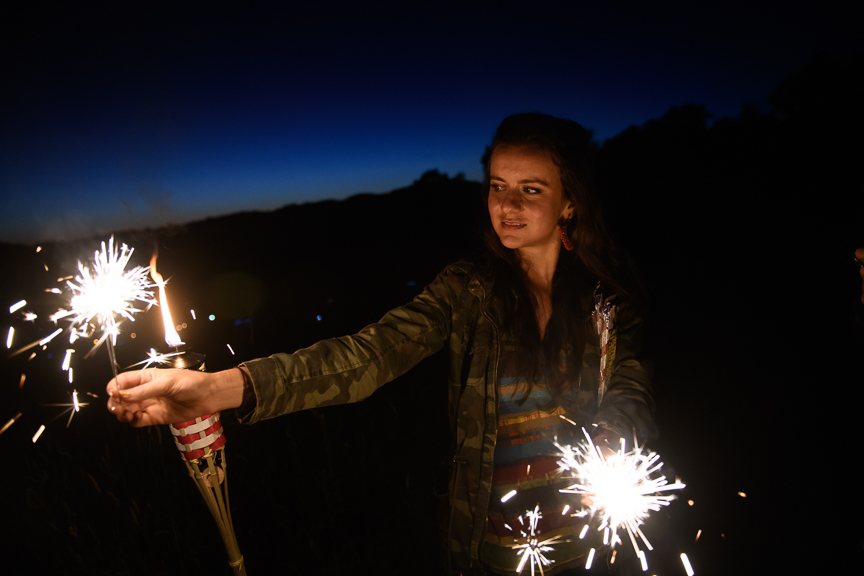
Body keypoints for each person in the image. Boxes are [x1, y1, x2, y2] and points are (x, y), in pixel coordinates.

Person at [107, 113, 657, 575]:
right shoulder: (468, 291)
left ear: (569, 203)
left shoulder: (605, 302)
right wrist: (218, 390)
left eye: (530, 190)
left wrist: (614, 440)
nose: (506, 206)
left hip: (589, 552)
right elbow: (369, 355)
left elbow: (631, 392)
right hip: (483, 553)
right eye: (497, 186)